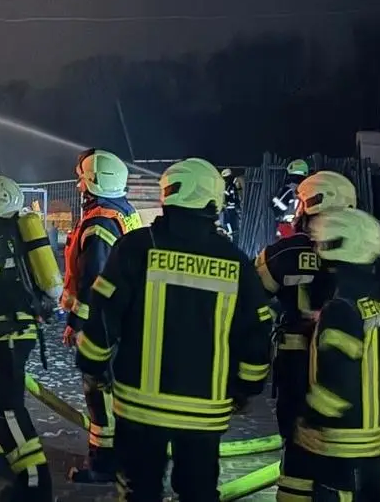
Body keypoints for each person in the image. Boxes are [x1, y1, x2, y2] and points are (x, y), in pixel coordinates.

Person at [75, 157, 273, 502]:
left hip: (139, 407)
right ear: (213, 200)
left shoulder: (136, 248)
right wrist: (245, 388)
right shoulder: (235, 261)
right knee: (198, 493)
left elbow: (103, 314)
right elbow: (256, 334)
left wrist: (94, 367)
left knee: (139, 492)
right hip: (204, 413)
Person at [257, 171, 380, 502]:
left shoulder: (285, 252)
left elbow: (250, 296)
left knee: (298, 442)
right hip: (363, 371)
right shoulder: (373, 259)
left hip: (296, 360)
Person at [0, 174, 61, 501]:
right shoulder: (13, 234)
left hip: (6, 335)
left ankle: (35, 483)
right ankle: (12, 469)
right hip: (16, 331)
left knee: (8, 409)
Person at [294, 207, 380, 502]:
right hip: (376, 434)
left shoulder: (341, 307)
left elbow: (338, 376)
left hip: (343, 438)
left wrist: (310, 417)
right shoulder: (377, 299)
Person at [60, 148, 142, 484]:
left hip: (104, 327)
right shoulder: (124, 213)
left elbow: (93, 282)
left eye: (82, 180)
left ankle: (103, 464)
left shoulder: (97, 224)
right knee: (117, 394)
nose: (79, 187)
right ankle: (123, 456)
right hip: (124, 321)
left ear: (94, 182)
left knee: (100, 395)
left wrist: (77, 324)